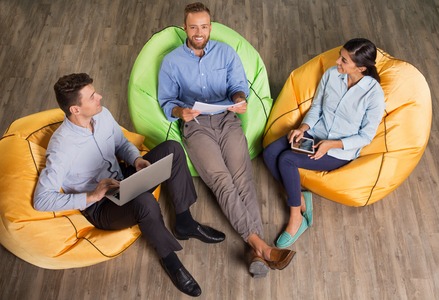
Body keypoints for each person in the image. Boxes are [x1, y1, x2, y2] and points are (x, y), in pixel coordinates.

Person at [33, 73, 227, 297]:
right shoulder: (61, 147)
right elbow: (42, 199)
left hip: (124, 177)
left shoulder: (102, 115)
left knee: (172, 149)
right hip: (102, 206)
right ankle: (171, 261)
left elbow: (121, 142)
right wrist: (92, 196)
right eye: (92, 96)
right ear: (75, 109)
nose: (100, 96)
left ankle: (185, 222)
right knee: (145, 202)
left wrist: (136, 159)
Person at [157, 2, 295, 277]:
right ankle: (261, 246)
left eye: (204, 26)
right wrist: (179, 111)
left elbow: (238, 88)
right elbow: (166, 102)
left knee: (243, 177)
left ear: (211, 26)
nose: (199, 32)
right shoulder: (171, 61)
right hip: (196, 127)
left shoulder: (226, 53)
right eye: (193, 26)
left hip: (227, 120)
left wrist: (240, 101)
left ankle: (255, 249)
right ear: (185, 27)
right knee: (222, 180)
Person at [263, 38, 386, 248]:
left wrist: (332, 144)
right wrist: (303, 128)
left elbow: (366, 136)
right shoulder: (331, 74)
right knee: (270, 152)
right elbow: (317, 108)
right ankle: (301, 197)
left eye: (344, 60)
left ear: (361, 68)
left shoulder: (373, 95)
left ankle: (296, 217)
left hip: (339, 150)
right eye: (340, 55)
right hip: (316, 133)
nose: (338, 61)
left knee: (287, 160)